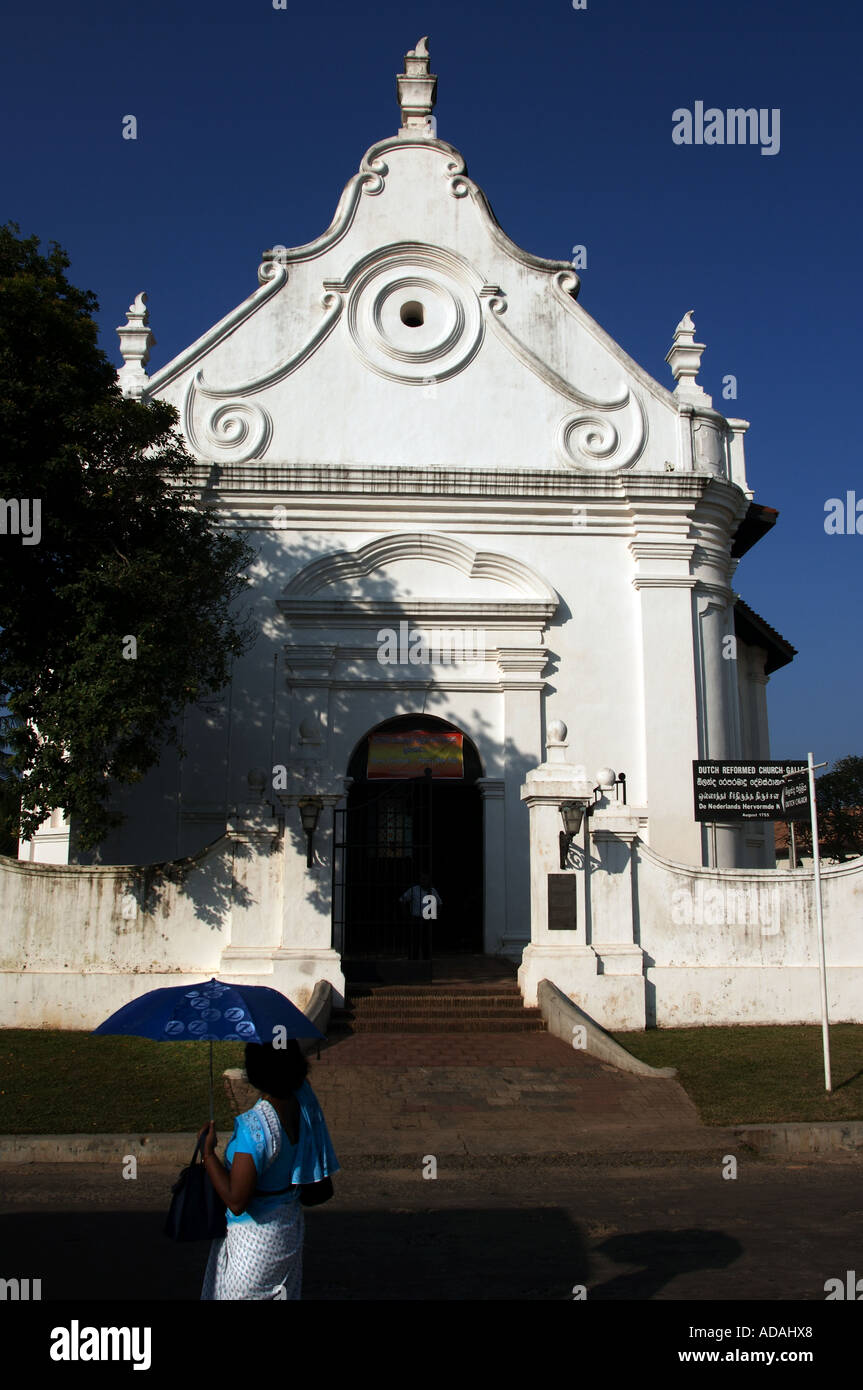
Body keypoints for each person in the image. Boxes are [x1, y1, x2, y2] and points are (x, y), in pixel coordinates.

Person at [199, 1038, 339, 1300]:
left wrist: (208, 1154)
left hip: (253, 1246)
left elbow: (236, 1200)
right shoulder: (303, 1101)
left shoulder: (254, 1128)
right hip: (286, 1232)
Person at [399, 871, 442, 959]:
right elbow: (402, 900)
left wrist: (436, 915)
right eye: (422, 879)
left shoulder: (432, 890)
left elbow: (439, 903)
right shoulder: (414, 889)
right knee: (414, 941)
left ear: (429, 880)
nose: (424, 881)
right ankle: (413, 960)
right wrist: (406, 914)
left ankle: (426, 960)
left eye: (425, 879)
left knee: (426, 942)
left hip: (427, 919)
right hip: (415, 919)